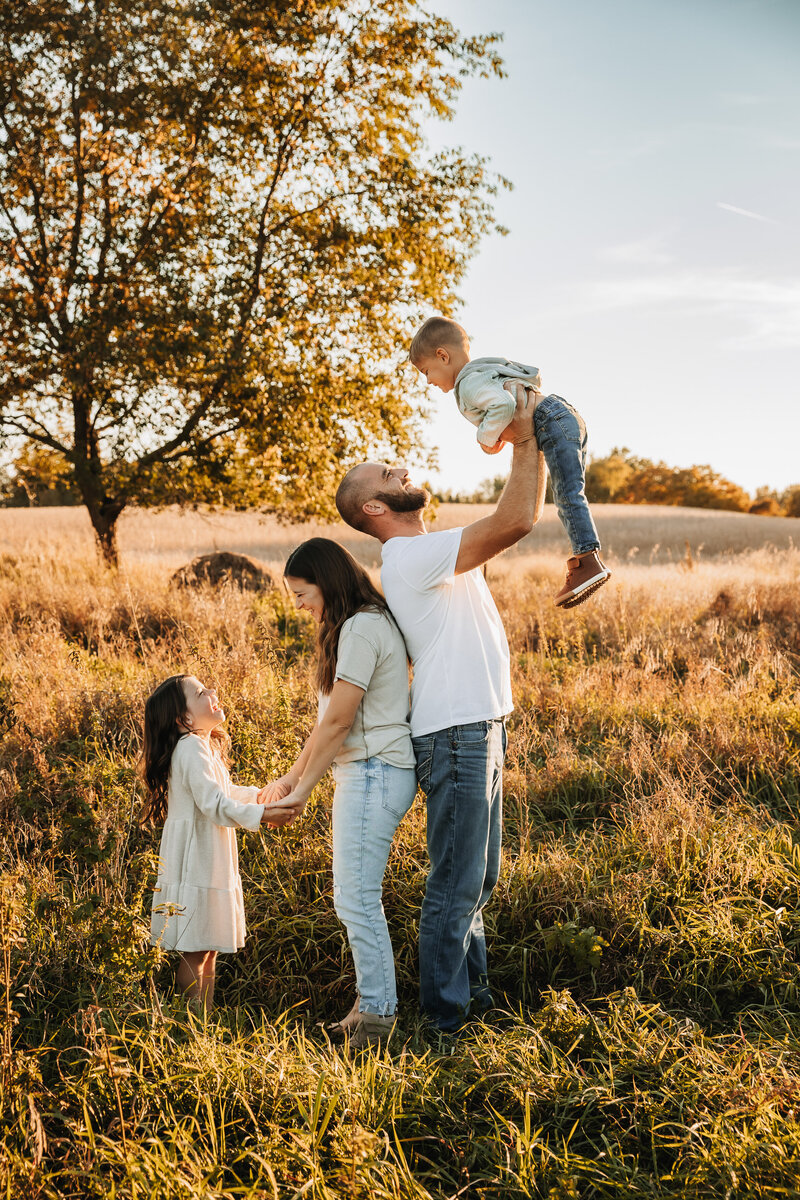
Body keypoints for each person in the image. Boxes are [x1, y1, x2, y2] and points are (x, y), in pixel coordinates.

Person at [334, 383, 541, 1034]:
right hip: (456, 734)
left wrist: (525, 440)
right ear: (373, 505)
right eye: (383, 472)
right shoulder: (410, 557)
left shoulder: (427, 550)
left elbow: (509, 516)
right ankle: (448, 1024)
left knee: (478, 881)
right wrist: (527, 434)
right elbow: (516, 522)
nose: (399, 466)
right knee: (455, 886)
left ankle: (473, 1008)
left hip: (481, 724)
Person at [262, 538, 416, 1050]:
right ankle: (369, 1007)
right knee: (353, 897)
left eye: (302, 594)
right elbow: (328, 723)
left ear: (327, 582)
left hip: (375, 771)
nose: (300, 606)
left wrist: (303, 791)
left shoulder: (363, 627)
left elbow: (343, 721)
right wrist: (292, 775)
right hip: (366, 772)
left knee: (356, 899)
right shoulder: (356, 627)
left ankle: (377, 1019)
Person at [409, 315, 611, 609]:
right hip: (564, 414)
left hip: (549, 421)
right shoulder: (486, 371)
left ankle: (588, 562)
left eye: (426, 371)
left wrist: (485, 437)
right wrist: (499, 435)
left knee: (567, 494)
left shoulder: (467, 384)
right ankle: (586, 560)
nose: (428, 381)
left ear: (443, 355)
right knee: (572, 491)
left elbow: (502, 405)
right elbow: (508, 401)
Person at [140, 674, 293, 1013]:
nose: (212, 692)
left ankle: (202, 1020)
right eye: (200, 692)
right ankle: (193, 1024)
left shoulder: (202, 746)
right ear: (185, 719)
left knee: (206, 948)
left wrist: (260, 797)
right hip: (196, 858)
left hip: (207, 856)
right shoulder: (191, 748)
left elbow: (226, 793)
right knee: (196, 950)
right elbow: (214, 805)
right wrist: (264, 815)